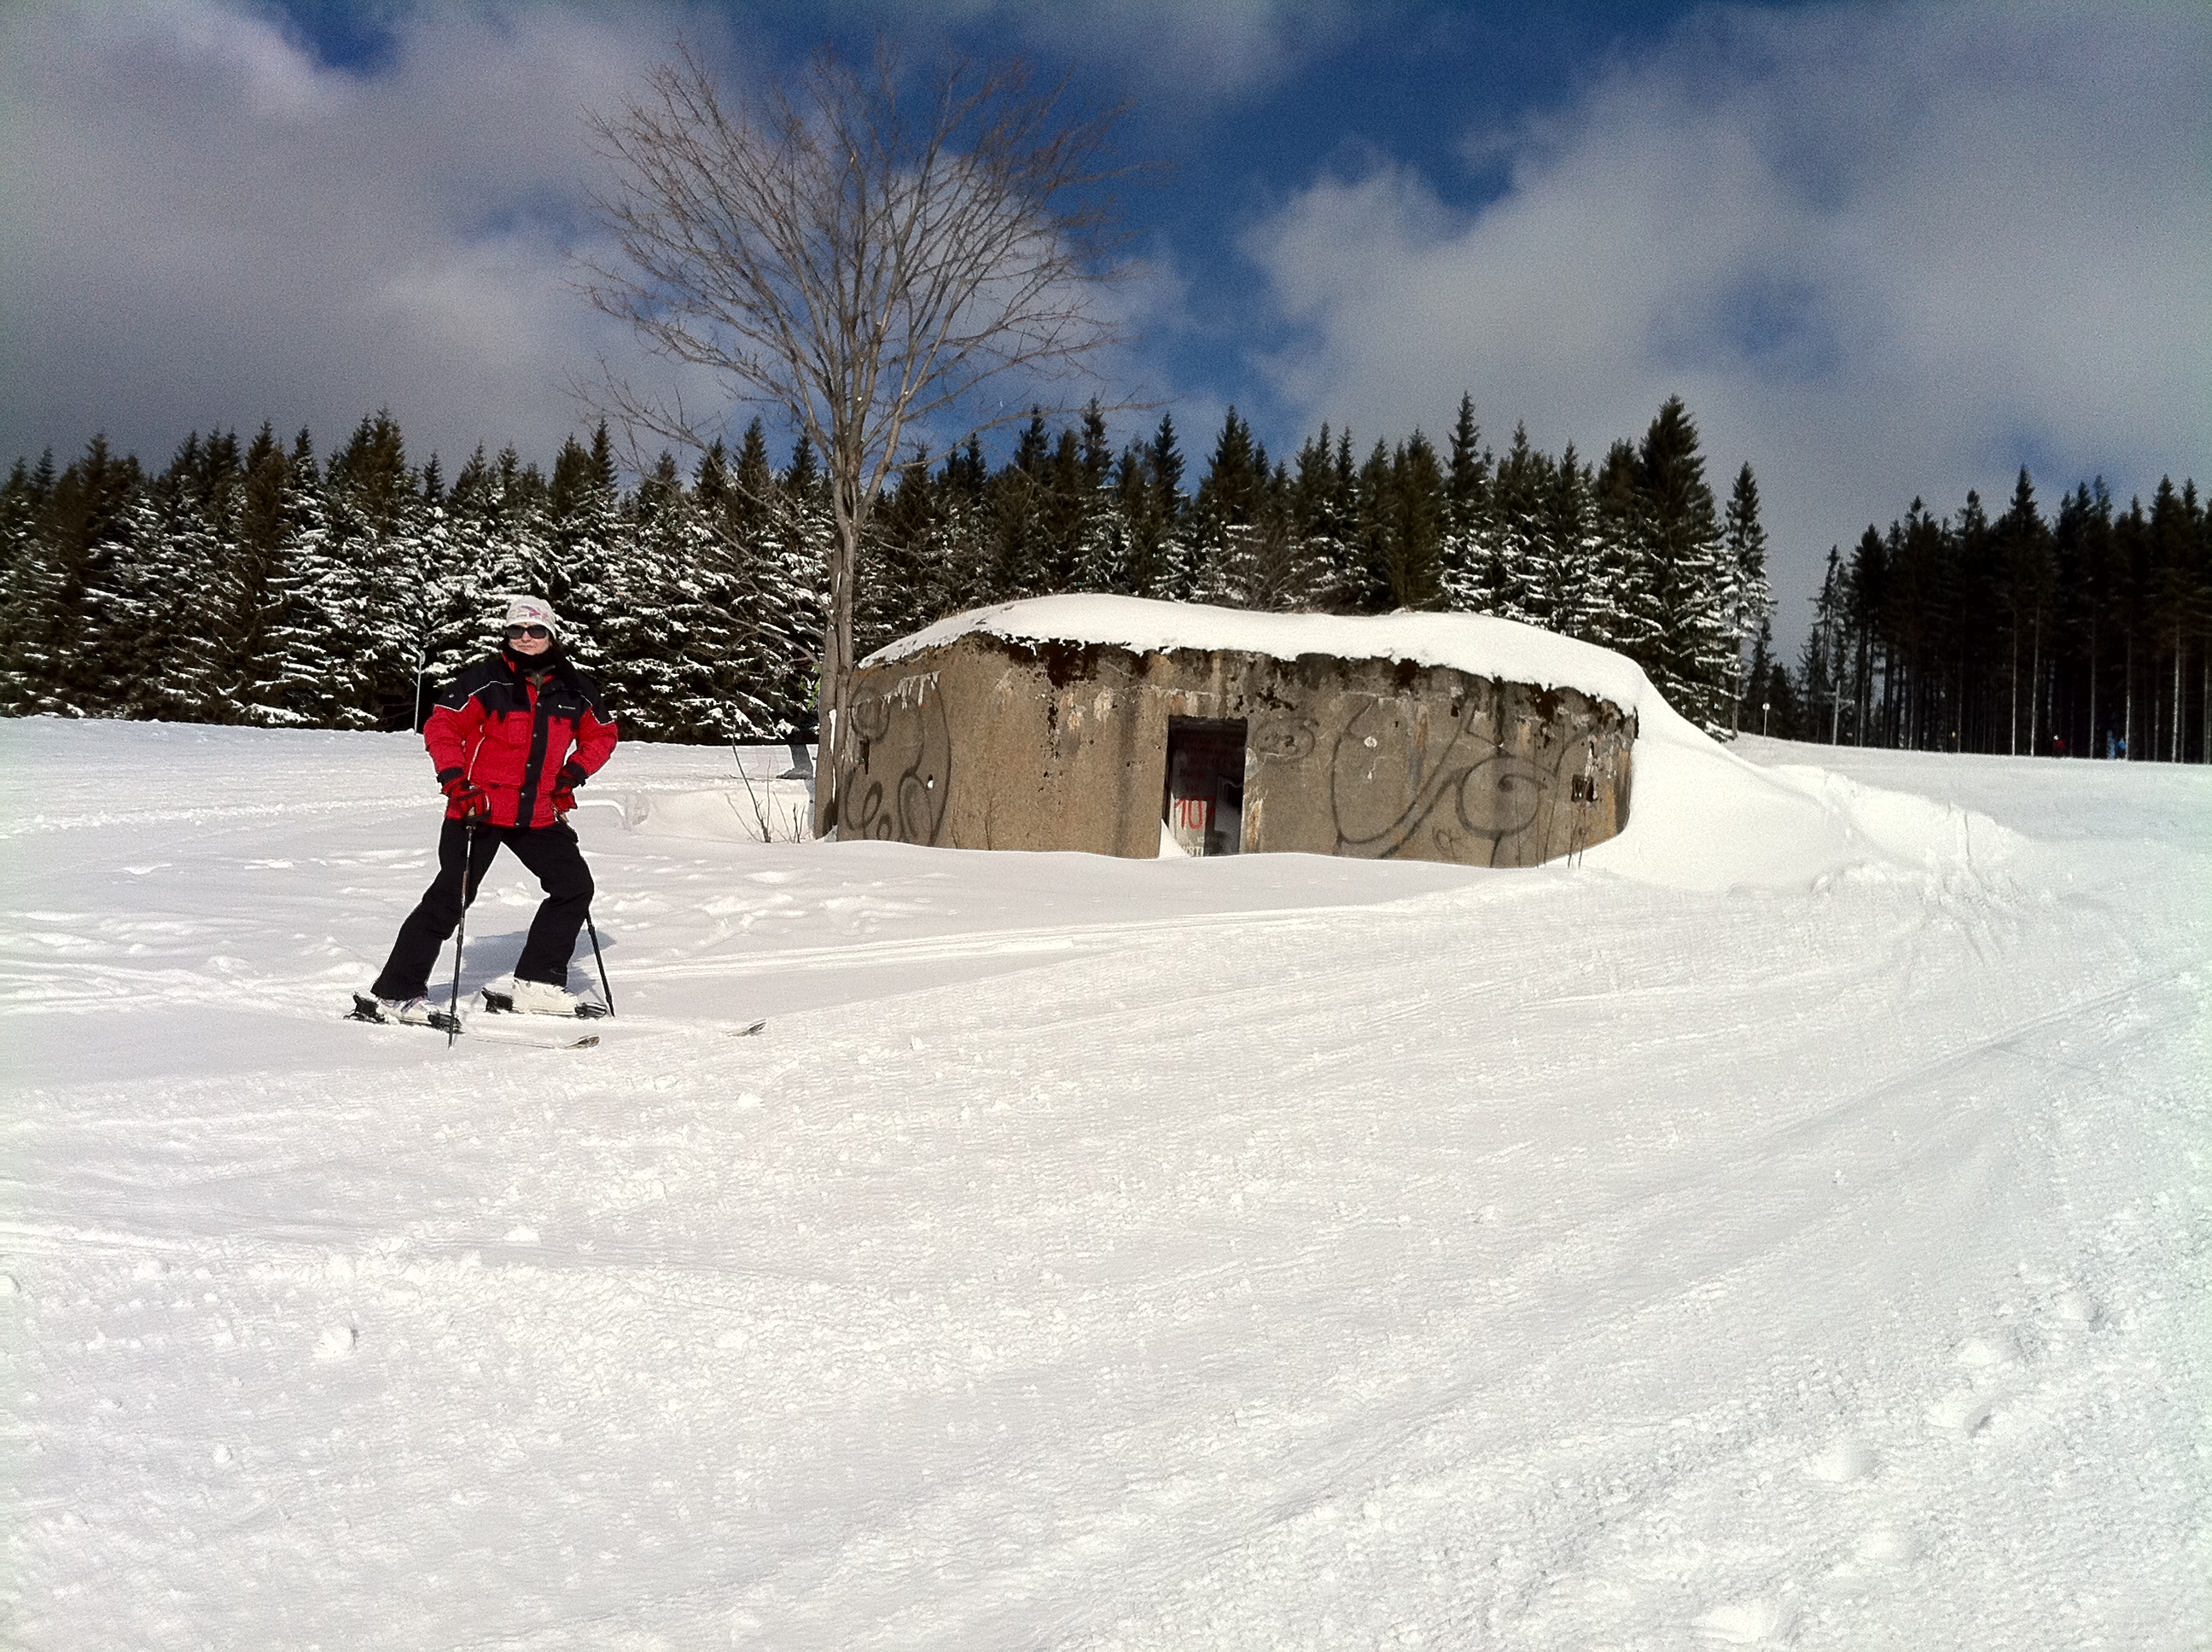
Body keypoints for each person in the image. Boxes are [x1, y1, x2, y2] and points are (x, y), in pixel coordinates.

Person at [358, 597, 619, 1023]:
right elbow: (442, 725)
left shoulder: (575, 688)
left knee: (574, 886)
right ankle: (395, 992)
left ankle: (538, 982)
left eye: (535, 631)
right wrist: (456, 781)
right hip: (477, 807)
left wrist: (571, 775)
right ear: (507, 635)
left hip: (535, 811)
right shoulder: (484, 681)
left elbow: (603, 735)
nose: (526, 638)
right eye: (517, 631)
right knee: (451, 896)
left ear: (551, 634)